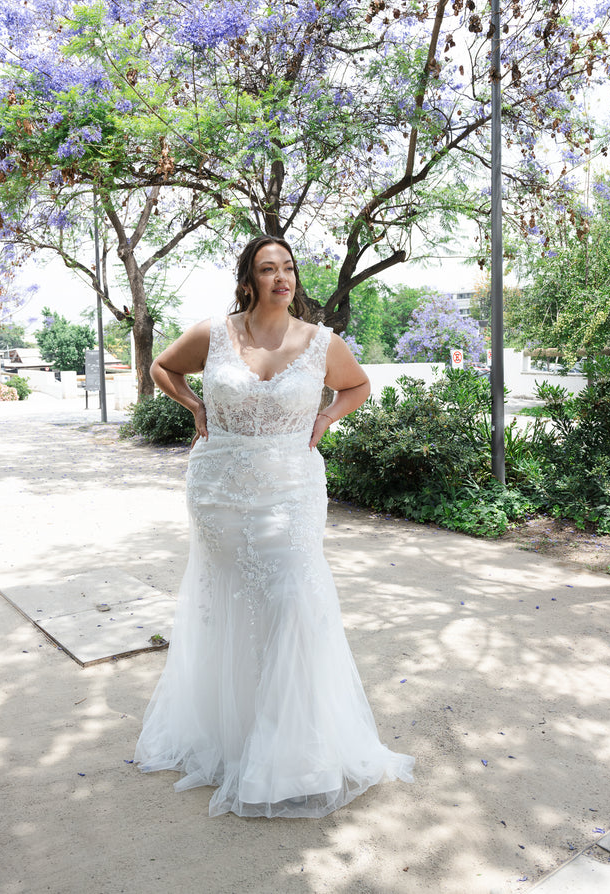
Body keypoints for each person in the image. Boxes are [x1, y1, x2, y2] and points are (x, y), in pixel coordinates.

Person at [134, 235, 414, 818]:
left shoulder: (320, 342)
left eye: (288, 267)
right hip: (219, 489)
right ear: (249, 280)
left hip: (291, 487)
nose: (282, 277)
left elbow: (358, 385)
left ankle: (295, 753)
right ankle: (238, 741)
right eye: (269, 268)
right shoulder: (215, 333)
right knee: (232, 608)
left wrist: (328, 416)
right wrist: (194, 406)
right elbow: (161, 366)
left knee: (293, 601)